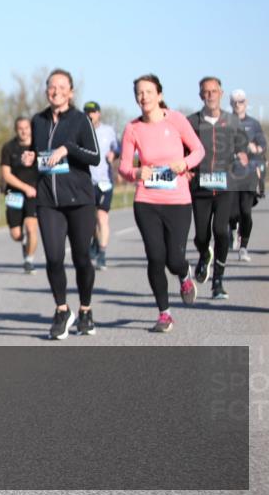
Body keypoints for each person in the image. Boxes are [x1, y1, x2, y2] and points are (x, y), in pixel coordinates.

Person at [119, 75, 205, 332]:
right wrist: (136, 173)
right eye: (139, 92)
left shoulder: (176, 119)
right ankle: (164, 313)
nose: (144, 96)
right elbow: (123, 166)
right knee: (156, 257)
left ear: (159, 94)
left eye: (148, 91)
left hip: (178, 201)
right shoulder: (132, 128)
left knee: (173, 259)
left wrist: (185, 164)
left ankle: (185, 272)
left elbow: (198, 150)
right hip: (147, 201)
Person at [24, 69, 101, 340]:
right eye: (51, 86)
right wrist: (30, 157)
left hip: (79, 200)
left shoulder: (81, 120)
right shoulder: (38, 120)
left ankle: (86, 309)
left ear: (71, 91)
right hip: (48, 201)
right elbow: (38, 154)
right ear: (47, 91)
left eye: (61, 86)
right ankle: (61, 309)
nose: (55, 91)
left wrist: (68, 148)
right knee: (54, 258)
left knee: (81, 258)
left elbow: (95, 157)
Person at [187, 77, 249, 300]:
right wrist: (186, 169)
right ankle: (205, 254)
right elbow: (183, 151)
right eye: (206, 91)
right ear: (201, 95)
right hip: (200, 188)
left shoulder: (232, 121)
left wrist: (243, 155)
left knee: (221, 231)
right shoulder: (191, 122)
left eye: (214, 91)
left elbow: (242, 146)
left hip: (225, 188)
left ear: (221, 93)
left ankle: (218, 281)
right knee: (201, 236)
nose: (210, 95)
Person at [228, 89, 266, 263]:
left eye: (241, 101)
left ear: (246, 102)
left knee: (245, 211)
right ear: (230, 104)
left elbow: (262, 146)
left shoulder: (254, 124)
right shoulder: (225, 122)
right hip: (230, 173)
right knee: (231, 212)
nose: (238, 104)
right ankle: (232, 229)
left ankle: (243, 247)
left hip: (249, 173)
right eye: (235, 101)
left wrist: (255, 149)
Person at [83, 101, 120, 270]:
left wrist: (114, 153)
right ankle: (95, 241)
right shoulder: (81, 131)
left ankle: (102, 254)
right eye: (87, 112)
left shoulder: (108, 131)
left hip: (104, 181)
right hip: (85, 181)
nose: (90, 115)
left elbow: (118, 149)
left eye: (93, 112)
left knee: (102, 217)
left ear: (99, 113)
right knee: (89, 221)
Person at [0, 116, 39, 274]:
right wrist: (24, 188)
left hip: (34, 194)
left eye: (26, 128)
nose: (24, 131)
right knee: (15, 234)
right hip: (14, 193)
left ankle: (29, 260)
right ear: (16, 130)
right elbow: (6, 174)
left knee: (31, 228)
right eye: (20, 128)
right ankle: (23, 241)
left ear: (31, 128)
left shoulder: (38, 146)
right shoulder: (8, 148)